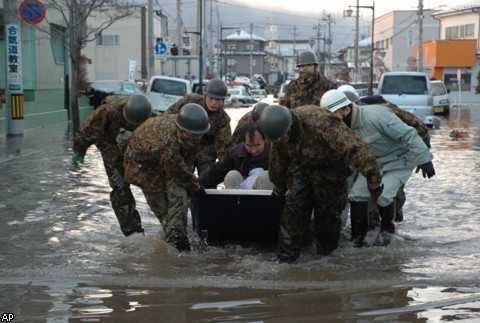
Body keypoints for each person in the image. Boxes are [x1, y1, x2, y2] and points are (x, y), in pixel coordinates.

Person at [257, 104, 383, 263]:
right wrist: (280, 188)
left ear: (291, 125)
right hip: (301, 167)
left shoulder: (322, 125)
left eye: (284, 137)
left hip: (331, 169)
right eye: (279, 139)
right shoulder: (277, 133)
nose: (283, 141)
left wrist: (374, 179)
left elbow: (358, 150)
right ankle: (285, 260)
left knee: (328, 219)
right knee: (292, 213)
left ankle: (325, 261)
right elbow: (277, 163)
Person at [321, 89, 435, 247]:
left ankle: (388, 228)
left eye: (334, 116)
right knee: (356, 194)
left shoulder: (377, 115)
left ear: (346, 109)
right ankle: (357, 239)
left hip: (399, 160)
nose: (332, 122)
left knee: (384, 195)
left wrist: (425, 160)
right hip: (374, 163)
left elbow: (408, 134)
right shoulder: (339, 127)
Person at [123, 103, 210, 252]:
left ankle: (178, 238)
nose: (198, 138)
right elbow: (177, 169)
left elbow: (186, 162)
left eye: (200, 135)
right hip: (142, 166)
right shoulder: (165, 142)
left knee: (179, 198)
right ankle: (174, 246)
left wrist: (191, 185)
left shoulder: (194, 130)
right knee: (164, 209)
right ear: (182, 130)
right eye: (194, 135)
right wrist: (194, 185)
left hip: (166, 159)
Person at [338, 84, 431, 223]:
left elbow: (417, 127)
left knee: (388, 195)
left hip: (399, 158)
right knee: (358, 194)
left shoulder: (380, 111)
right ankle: (364, 234)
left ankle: (392, 224)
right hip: (375, 160)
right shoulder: (344, 121)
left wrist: (423, 158)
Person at [71, 94, 153, 237]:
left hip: (133, 142)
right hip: (109, 142)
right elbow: (86, 131)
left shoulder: (149, 115)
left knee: (151, 180)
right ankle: (132, 231)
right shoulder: (107, 111)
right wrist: (79, 151)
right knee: (119, 186)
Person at [164, 78, 233, 173]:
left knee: (208, 180)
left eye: (218, 99)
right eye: (211, 98)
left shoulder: (223, 120)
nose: (214, 102)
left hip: (206, 155)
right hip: (185, 148)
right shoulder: (189, 101)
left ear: (222, 100)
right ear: (205, 96)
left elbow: (223, 147)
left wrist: (226, 168)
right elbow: (168, 118)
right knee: (181, 178)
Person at [200, 122, 273, 190]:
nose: (253, 150)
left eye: (257, 145)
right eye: (249, 145)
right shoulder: (235, 153)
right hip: (241, 191)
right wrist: (197, 184)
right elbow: (217, 171)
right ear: (244, 142)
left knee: (267, 176)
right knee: (232, 175)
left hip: (265, 190)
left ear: (265, 140)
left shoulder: (274, 152)